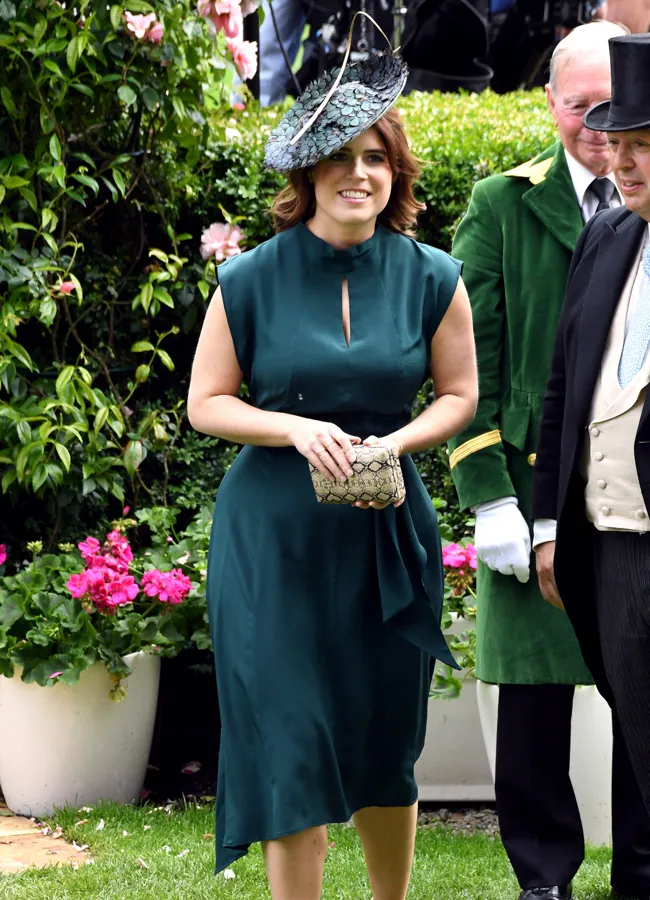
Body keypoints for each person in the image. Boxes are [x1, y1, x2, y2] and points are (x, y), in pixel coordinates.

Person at [187, 22, 478, 900]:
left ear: (396, 174)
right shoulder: (250, 280)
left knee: (388, 737)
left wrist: (397, 440)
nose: (360, 174)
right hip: (274, 543)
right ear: (307, 172)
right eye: (341, 158)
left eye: (377, 159)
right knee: (292, 739)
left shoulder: (434, 275)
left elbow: (460, 397)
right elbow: (207, 403)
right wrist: (289, 428)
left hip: (386, 532)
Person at [447, 21, 650, 900]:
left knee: (639, 704)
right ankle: (543, 876)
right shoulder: (504, 201)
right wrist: (497, 498)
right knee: (531, 706)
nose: (603, 133)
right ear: (550, 103)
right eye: (584, 109)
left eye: (624, 121)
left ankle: (639, 866)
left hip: (621, 505)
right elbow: (467, 363)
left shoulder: (628, 209)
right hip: (536, 486)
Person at [532, 28, 650, 855]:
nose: (626, 163)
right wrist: (547, 524)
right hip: (610, 550)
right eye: (623, 144)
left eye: (646, 146)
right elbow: (561, 394)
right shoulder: (607, 237)